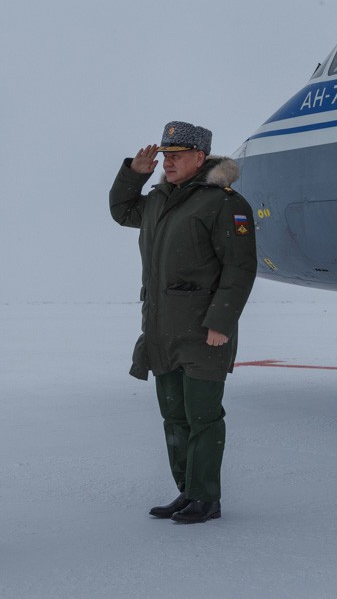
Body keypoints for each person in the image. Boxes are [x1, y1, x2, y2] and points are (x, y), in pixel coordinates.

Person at [109, 121, 257, 524]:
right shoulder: (157, 200)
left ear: (199, 158)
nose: (167, 163)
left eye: (176, 156)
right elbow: (122, 211)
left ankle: (206, 497)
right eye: (164, 156)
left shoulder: (225, 203)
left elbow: (239, 268)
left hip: (204, 331)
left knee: (203, 417)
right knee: (173, 415)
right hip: (162, 329)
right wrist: (134, 174)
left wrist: (221, 323)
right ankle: (187, 491)